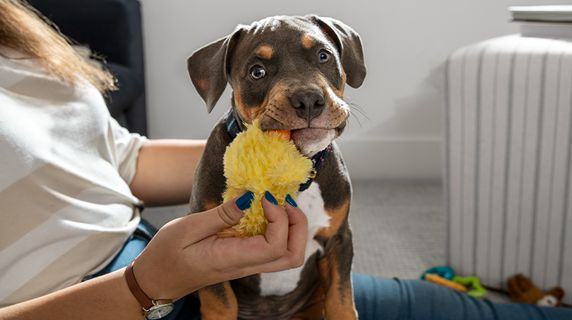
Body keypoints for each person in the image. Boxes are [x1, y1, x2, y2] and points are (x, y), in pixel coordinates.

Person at [0, 1, 571, 319]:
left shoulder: (18, 43)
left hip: (309, 296)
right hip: (145, 296)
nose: (303, 91)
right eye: (258, 71)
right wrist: (143, 285)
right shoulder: (221, 163)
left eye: (322, 61)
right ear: (219, 82)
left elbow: (121, 158)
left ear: (344, 63)